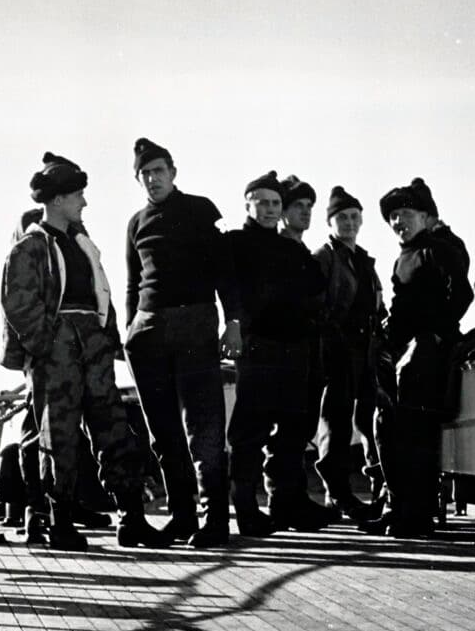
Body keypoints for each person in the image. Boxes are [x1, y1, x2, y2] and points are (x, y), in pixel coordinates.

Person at [1, 153, 167, 551]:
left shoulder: (80, 243)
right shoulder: (30, 247)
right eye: (77, 196)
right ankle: (58, 522)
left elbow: (100, 293)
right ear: (56, 200)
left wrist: (107, 340)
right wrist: (48, 344)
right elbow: (18, 303)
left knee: (114, 427)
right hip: (58, 349)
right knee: (58, 436)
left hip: (93, 346)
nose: (84, 203)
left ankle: (131, 518)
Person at [124, 136, 241, 546]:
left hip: (195, 323)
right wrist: (129, 329)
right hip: (148, 330)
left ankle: (215, 520)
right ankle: (182, 516)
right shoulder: (136, 223)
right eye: (145, 174)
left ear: (173, 173)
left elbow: (226, 272)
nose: (152, 179)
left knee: (203, 425)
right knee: (163, 430)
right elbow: (132, 283)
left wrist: (234, 322)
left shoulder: (200, 210)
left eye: (158, 171)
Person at [363, 178, 474, 538]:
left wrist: (435, 336)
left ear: (427, 217)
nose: (398, 221)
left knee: (417, 434)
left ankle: (418, 515)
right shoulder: (404, 256)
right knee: (387, 427)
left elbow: (462, 295)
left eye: (406, 214)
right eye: (393, 216)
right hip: (402, 355)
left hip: (428, 355)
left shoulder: (440, 248)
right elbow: (400, 309)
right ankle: (398, 507)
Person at [226, 173, 332, 533]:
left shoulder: (291, 249)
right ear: (248, 204)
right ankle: (245, 510)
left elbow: (314, 289)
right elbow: (229, 292)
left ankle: (287, 504)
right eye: (263, 203)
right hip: (258, 348)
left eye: (275, 204)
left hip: (294, 349)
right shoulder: (236, 243)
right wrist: (235, 326)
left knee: (292, 430)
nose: (270, 210)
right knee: (250, 432)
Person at [313, 185, 386, 518]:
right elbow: (317, 306)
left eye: (354, 216)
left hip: (366, 352)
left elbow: (377, 306)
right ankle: (337, 493)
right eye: (341, 217)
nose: (349, 223)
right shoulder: (325, 257)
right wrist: (333, 340)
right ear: (330, 222)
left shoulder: (365, 261)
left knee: (369, 420)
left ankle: (378, 488)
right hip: (338, 352)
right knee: (336, 422)